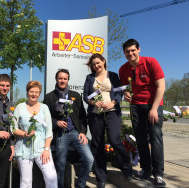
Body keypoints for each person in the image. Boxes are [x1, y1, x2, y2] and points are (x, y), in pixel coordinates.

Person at [119, 39, 166, 188]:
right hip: (136, 106)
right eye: (127, 51)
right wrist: (126, 93)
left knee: (155, 138)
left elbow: (161, 86)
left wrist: (154, 108)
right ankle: (146, 169)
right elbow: (125, 88)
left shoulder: (151, 62)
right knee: (140, 139)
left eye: (133, 50)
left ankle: (158, 174)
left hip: (153, 105)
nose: (130, 53)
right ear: (124, 53)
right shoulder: (123, 69)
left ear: (139, 49)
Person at [83, 53, 134, 188]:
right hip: (95, 114)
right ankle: (101, 178)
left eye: (98, 63)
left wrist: (113, 102)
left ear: (103, 61)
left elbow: (118, 92)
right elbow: (86, 95)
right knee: (97, 144)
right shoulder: (89, 78)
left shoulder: (113, 75)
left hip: (112, 112)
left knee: (114, 139)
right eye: (93, 64)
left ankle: (127, 168)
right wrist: (93, 102)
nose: (96, 66)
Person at [43, 69, 94, 188]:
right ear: (56, 79)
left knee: (89, 159)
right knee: (60, 165)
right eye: (60, 78)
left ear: (68, 80)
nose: (62, 81)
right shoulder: (49, 97)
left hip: (76, 133)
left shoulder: (75, 95)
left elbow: (82, 116)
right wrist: (56, 122)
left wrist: (82, 132)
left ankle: (80, 185)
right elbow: (45, 118)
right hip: (61, 135)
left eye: (65, 79)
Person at [12, 81, 57, 188]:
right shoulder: (20, 107)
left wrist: (46, 149)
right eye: (31, 91)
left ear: (39, 93)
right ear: (27, 92)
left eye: (36, 92)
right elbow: (13, 128)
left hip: (42, 148)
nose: (34, 94)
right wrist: (24, 133)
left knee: (51, 177)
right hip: (23, 149)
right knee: (26, 182)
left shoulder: (44, 108)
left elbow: (49, 131)